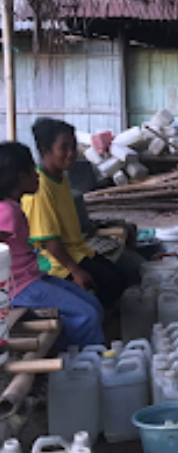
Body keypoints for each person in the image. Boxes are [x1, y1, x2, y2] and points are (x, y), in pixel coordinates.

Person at [0, 142, 105, 348]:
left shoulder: (14, 206)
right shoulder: (7, 212)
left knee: (93, 305)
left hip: (32, 277)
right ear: (21, 177)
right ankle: (88, 365)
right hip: (19, 287)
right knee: (88, 315)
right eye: (32, 170)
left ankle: (71, 353)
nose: (37, 174)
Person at [22, 117, 129, 309]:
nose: (71, 154)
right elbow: (51, 242)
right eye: (63, 148)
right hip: (54, 261)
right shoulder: (39, 187)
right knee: (110, 284)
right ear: (46, 151)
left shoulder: (60, 178)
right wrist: (76, 271)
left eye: (73, 147)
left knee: (120, 276)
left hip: (77, 250)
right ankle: (91, 329)